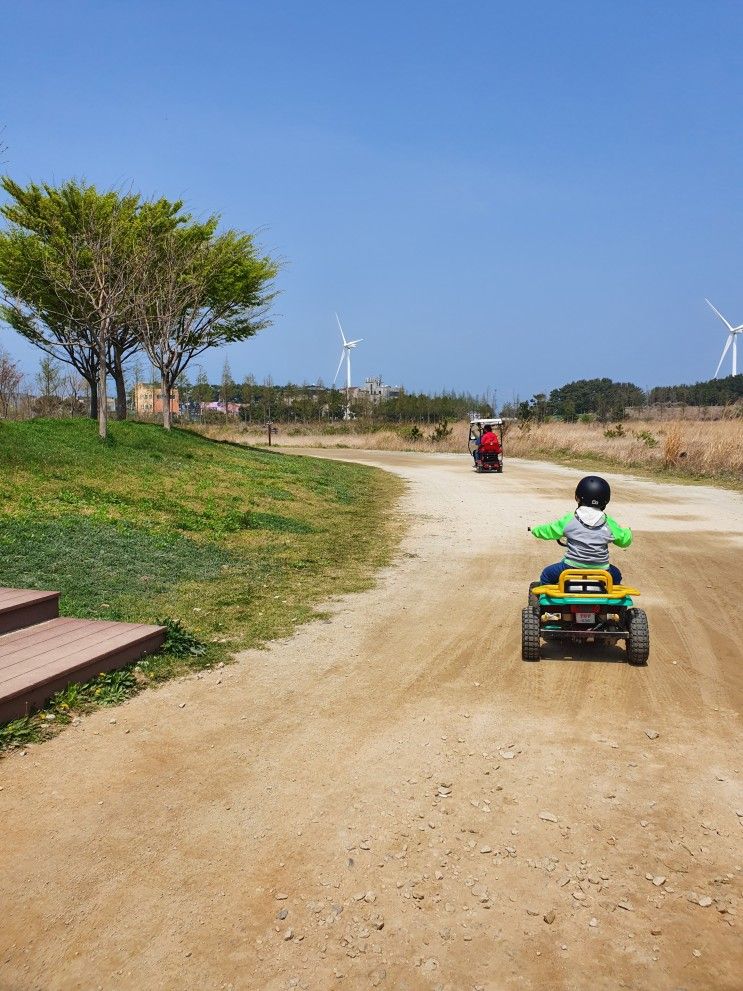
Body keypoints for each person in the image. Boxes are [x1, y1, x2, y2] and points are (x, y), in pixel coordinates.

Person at [530, 475, 632, 585]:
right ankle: (610, 601)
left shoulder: (570, 519)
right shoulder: (608, 522)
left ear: (577, 497)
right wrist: (627, 531)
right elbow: (624, 541)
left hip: (570, 567)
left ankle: (543, 600)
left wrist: (535, 530)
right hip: (602, 571)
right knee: (616, 575)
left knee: (546, 574)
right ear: (606, 500)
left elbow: (549, 530)